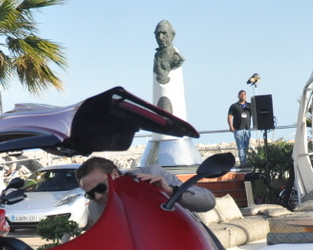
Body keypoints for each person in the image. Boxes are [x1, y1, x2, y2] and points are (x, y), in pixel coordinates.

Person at [75, 156, 215, 229]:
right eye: (90, 194)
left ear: (115, 174)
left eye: (100, 188)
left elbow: (208, 201)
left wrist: (170, 191)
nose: (98, 196)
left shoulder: (152, 174)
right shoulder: (94, 209)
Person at [228, 90, 253, 166]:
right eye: (241, 94)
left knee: (246, 146)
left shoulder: (249, 105)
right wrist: (231, 126)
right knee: (241, 147)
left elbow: (255, 114)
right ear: (238, 96)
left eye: (244, 94)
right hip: (238, 129)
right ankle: (243, 163)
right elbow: (230, 116)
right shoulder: (234, 106)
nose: (243, 95)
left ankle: (246, 161)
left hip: (247, 129)